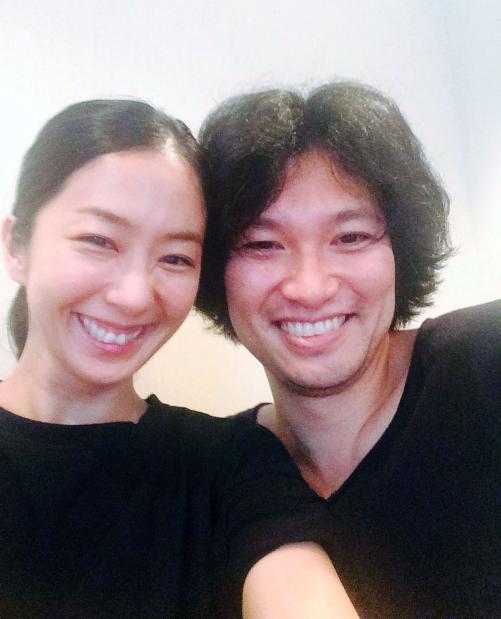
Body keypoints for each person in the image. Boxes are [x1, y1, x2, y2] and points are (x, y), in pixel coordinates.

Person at [0, 99, 358, 618]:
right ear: (16, 246)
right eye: (98, 240)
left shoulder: (230, 465)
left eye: (175, 257)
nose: (133, 296)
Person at [196, 81, 501, 618]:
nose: (309, 287)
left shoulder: (484, 360)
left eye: (352, 236)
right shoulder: (214, 474)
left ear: (400, 250)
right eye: (262, 244)